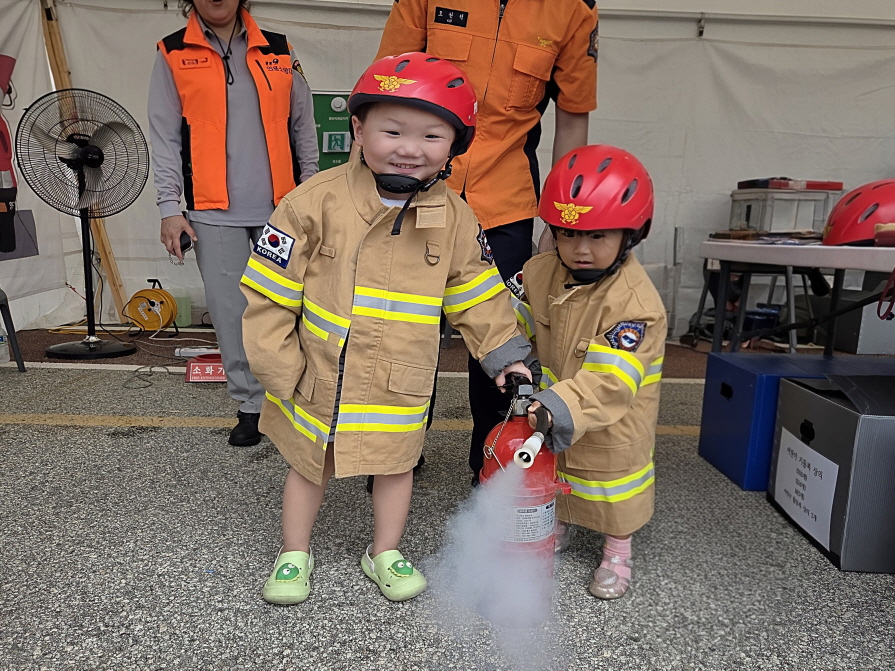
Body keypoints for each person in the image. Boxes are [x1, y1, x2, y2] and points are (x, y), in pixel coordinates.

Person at [239, 53, 531, 604]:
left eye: (431, 136)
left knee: (397, 467)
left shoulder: (456, 217)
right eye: (392, 130)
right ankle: (294, 552)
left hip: (401, 381)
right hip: (318, 377)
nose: (409, 148)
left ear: (455, 145)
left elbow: (479, 294)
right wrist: (280, 370)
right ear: (358, 128)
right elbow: (268, 296)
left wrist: (504, 355)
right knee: (309, 465)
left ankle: (384, 551)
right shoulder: (312, 203)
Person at [375, 0, 598, 484]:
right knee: (404, 331)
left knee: (501, 340)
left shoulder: (572, 9)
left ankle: (493, 461)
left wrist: (560, 219)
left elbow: (572, 116)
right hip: (418, 190)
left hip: (505, 205)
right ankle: (393, 454)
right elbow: (387, 89)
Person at [148, 0, 318, 446]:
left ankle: (294, 398)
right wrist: (169, 208)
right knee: (231, 314)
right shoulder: (172, 53)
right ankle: (251, 405)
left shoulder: (278, 50)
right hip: (212, 214)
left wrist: (312, 193)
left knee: (290, 308)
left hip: (282, 211)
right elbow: (164, 138)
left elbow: (303, 125)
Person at [514, 145, 665, 600]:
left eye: (598, 236)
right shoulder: (539, 272)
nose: (580, 249)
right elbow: (516, 319)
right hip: (554, 408)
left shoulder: (635, 304)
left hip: (612, 418)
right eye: (567, 234)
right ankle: (557, 523)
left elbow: (609, 382)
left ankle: (618, 551)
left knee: (614, 484)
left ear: (631, 235)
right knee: (555, 470)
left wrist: (556, 405)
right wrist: (510, 357)